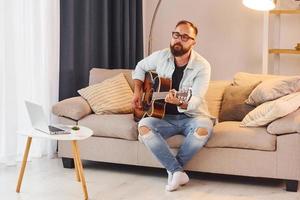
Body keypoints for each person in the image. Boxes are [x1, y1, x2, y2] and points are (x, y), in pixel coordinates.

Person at [131, 20, 213, 192]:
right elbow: (140, 66)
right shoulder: (161, 56)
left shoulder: (202, 66)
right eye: (176, 35)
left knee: (203, 129)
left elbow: (196, 99)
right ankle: (177, 172)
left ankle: (174, 170)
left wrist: (180, 102)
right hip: (163, 117)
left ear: (193, 42)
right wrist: (137, 91)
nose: (178, 40)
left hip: (192, 116)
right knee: (144, 126)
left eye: (185, 37)